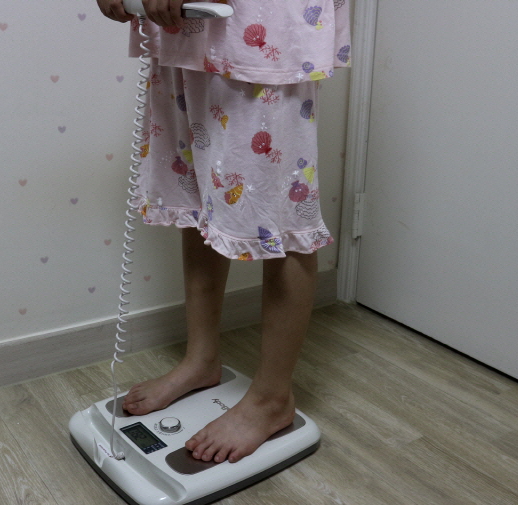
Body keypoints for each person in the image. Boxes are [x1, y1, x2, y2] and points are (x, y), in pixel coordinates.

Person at [96, 0, 351, 464]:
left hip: (266, 31)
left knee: (282, 217)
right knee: (199, 197)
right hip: (183, 28)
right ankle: (201, 359)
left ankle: (272, 398)